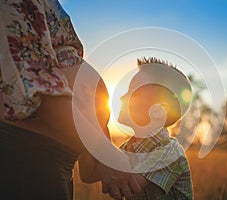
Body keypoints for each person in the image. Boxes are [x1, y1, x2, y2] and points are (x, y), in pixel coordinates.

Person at [0, 0, 142, 199]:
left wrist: (100, 149)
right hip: (28, 155)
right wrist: (104, 152)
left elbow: (87, 173)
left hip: (56, 158)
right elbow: (36, 90)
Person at [118, 57, 194, 199]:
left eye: (133, 90)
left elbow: (129, 185)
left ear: (158, 111)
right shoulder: (127, 149)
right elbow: (88, 175)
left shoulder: (170, 152)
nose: (122, 97)